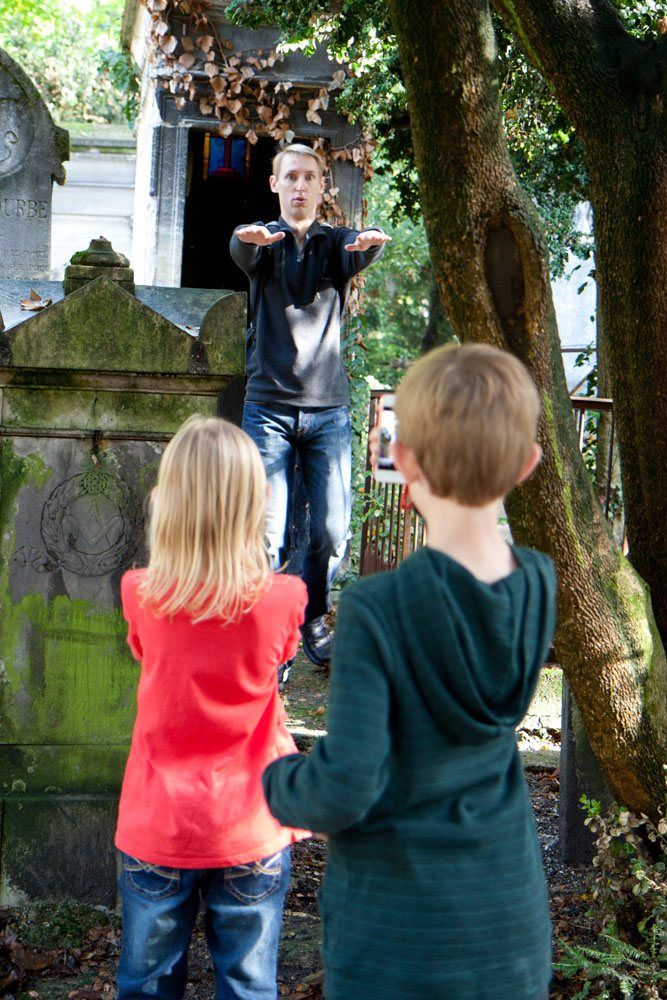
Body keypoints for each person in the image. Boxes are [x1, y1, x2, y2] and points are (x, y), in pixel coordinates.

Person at [262, 344, 556, 1000]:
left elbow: (344, 788)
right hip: (507, 922)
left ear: (406, 462)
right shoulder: (539, 582)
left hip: (399, 936)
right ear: (528, 464)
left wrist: (276, 780)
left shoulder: (376, 607)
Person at [114, 416, 308, 1000]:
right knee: (249, 987)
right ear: (255, 503)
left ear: (166, 502)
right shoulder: (286, 599)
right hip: (252, 822)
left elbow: (148, 655)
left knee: (147, 986)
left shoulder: (139, 593)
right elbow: (280, 658)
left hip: (159, 823)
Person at [230, 143, 389, 670]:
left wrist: (369, 246)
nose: (300, 186)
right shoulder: (264, 242)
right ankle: (270, 644)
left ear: (323, 188)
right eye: (290, 177)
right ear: (275, 185)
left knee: (329, 530)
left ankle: (313, 614)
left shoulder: (331, 243)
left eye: (310, 178)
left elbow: (357, 250)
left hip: (328, 413)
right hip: (268, 410)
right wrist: (242, 239)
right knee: (268, 533)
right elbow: (243, 250)